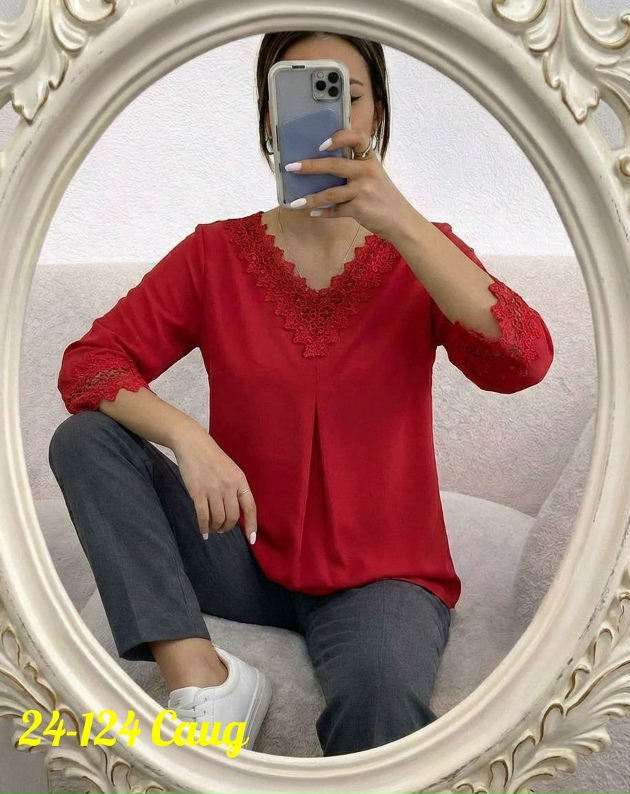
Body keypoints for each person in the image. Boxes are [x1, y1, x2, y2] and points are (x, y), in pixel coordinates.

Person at [48, 30, 554, 757]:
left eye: (350, 95)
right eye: (302, 94)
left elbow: (525, 361)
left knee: (381, 698)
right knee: (87, 438)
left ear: (376, 113)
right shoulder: (214, 254)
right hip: (238, 552)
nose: (332, 116)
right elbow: (89, 363)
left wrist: (403, 222)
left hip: (382, 577)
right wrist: (189, 438)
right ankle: (205, 677)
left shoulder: (424, 253)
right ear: (268, 115)